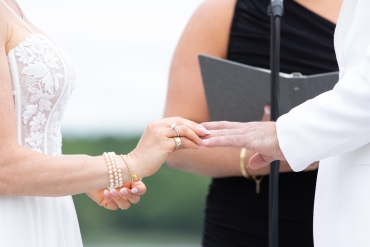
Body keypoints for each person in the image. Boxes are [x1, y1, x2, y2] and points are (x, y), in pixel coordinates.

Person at [0, 0, 210, 246]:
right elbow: (4, 167)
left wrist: (92, 173)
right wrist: (128, 163)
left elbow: (28, 146)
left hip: (45, 211)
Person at [164, 0, 341, 246]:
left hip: (349, 217)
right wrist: (261, 153)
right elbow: (175, 144)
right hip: (245, 224)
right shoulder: (223, 11)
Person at [201, 0, 370, 246]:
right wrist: (255, 153)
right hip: (247, 214)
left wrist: (287, 135)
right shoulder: (225, 11)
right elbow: (182, 136)